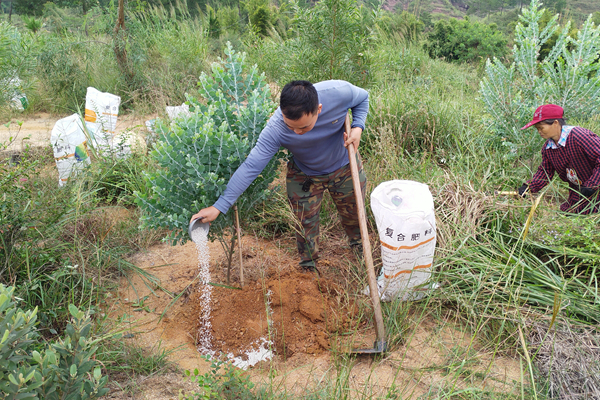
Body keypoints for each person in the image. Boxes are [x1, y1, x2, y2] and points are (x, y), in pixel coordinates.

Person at [190, 80, 369, 271]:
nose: (297, 133)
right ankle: (308, 266)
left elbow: (363, 98)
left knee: (354, 215)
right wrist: (220, 206)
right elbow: (251, 166)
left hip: (344, 165)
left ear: (319, 109)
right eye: (290, 127)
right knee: (304, 223)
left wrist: (358, 127)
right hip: (305, 173)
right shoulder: (275, 128)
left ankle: (360, 249)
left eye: (303, 127)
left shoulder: (339, 92)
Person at [518, 104, 600, 214]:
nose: (539, 131)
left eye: (541, 127)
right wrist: (528, 187)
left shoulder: (579, 136)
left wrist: (592, 184)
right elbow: (545, 172)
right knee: (568, 213)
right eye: (537, 128)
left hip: (595, 188)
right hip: (579, 193)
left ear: (556, 123)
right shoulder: (548, 148)